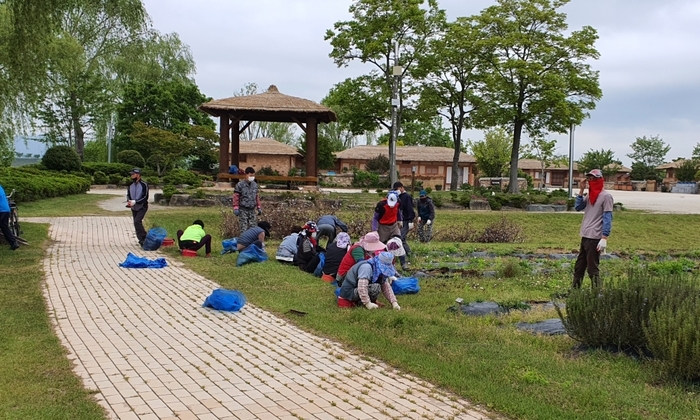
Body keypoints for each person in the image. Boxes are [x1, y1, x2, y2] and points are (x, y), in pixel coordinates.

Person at [572, 169, 613, 289]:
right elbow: (578, 207)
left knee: (592, 268)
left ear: (600, 179)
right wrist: (581, 190)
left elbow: (607, 217)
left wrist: (604, 237)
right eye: (589, 178)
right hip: (585, 236)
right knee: (579, 266)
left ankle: (597, 293)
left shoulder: (606, 197)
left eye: (594, 178)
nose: (591, 181)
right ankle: (575, 292)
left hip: (595, 237)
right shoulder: (590, 195)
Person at [233, 167, 262, 234]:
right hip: (243, 209)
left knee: (254, 228)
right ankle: (243, 243)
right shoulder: (240, 185)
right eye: (250, 175)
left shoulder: (255, 185)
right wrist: (235, 207)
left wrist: (259, 207)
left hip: (252, 209)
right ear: (246, 175)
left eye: (253, 175)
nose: (252, 177)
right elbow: (236, 197)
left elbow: (256, 196)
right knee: (244, 228)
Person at [392, 182, 414, 270]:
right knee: (401, 238)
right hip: (398, 220)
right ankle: (408, 253)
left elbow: (409, 209)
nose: (396, 191)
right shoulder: (397, 196)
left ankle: (406, 254)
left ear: (401, 188)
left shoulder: (407, 197)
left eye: (397, 189)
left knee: (400, 237)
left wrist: (411, 221)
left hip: (405, 220)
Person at [126, 168, 149, 246]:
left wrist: (136, 201)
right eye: (131, 174)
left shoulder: (144, 184)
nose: (131, 176)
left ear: (138, 175)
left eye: (133, 174)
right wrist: (129, 201)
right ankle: (141, 240)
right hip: (133, 207)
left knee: (137, 221)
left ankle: (145, 237)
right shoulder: (130, 185)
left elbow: (145, 196)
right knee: (136, 223)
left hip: (142, 206)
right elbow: (128, 195)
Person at [0, 184, 19, 251]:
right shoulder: (0, 187)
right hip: (5, 209)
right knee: (4, 227)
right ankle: (14, 243)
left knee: (4, 227)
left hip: (1, 210)